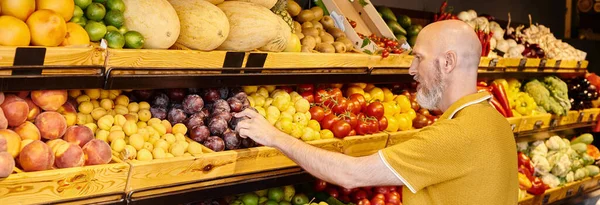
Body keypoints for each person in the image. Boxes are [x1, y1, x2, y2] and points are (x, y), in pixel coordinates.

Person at [234, 20, 517, 204]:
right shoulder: (494, 121)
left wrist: (275, 136)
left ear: (447, 62)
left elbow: (350, 174)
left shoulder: (455, 136)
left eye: (418, 58)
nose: (411, 69)